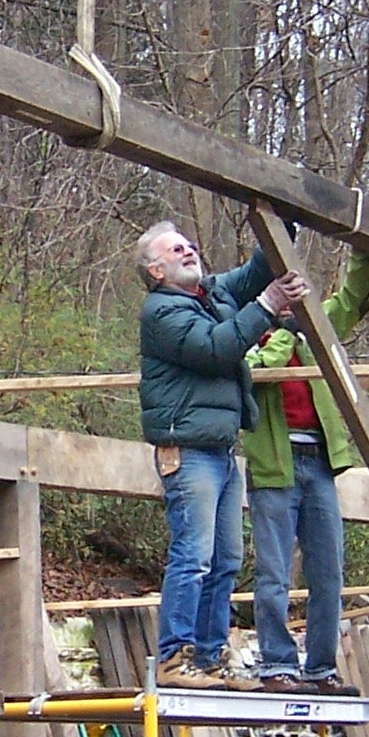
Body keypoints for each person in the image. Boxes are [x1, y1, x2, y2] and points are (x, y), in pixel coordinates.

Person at [137, 220, 306, 688]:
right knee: (193, 557)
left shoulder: (211, 294)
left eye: (190, 245)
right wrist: (270, 306)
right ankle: (174, 659)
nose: (190, 250)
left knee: (226, 559)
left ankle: (210, 658)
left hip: (220, 450)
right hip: (188, 451)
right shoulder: (162, 313)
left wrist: (281, 223)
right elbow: (217, 349)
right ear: (156, 270)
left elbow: (255, 271)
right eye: (176, 249)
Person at [245, 251, 369, 694]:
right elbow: (255, 370)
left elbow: (353, 300)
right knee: (274, 573)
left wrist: (363, 256)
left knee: (328, 573)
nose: (287, 303)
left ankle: (321, 668)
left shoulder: (309, 330)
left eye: (292, 295)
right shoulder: (248, 333)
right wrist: (284, 332)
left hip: (318, 462)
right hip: (273, 467)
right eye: (279, 295)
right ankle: (277, 666)